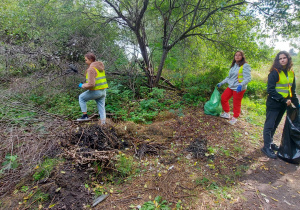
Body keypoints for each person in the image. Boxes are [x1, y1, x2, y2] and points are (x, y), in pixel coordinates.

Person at [262, 51, 299, 159]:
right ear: (278, 61)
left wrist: (297, 105)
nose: (282, 60)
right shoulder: (274, 72)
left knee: (275, 125)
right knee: (269, 125)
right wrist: (283, 100)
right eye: (280, 58)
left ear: (288, 59)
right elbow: (270, 90)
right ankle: (266, 147)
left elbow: (292, 91)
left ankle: (271, 142)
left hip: (283, 105)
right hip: (274, 103)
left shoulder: (291, 73)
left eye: (284, 58)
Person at [217, 50, 251, 125]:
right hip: (231, 86)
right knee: (223, 98)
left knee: (236, 103)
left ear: (242, 57)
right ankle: (227, 113)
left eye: (239, 55)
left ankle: (235, 118)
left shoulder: (245, 66)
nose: (237, 56)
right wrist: (221, 83)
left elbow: (248, 78)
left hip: (239, 88)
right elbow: (229, 77)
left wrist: (241, 85)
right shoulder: (234, 65)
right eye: (236, 55)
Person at [77, 52, 108, 124]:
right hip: (103, 91)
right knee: (101, 108)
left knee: (81, 98)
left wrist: (82, 85)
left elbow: (91, 84)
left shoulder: (91, 69)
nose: (85, 62)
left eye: (86, 60)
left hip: (96, 91)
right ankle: (103, 124)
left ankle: (85, 116)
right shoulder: (100, 68)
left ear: (91, 59)